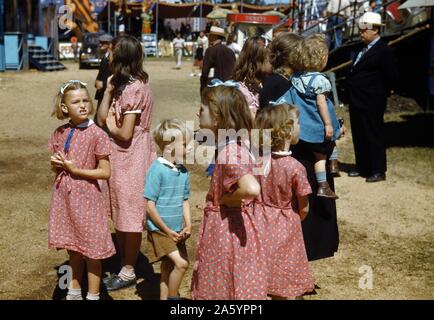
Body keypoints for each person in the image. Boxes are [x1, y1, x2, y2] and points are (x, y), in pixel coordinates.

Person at [259, 34, 339, 263]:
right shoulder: (282, 84)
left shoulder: (290, 82)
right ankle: (307, 251)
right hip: (300, 156)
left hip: (303, 152)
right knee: (306, 208)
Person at [191, 83, 267, 300]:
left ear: (217, 117)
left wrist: (225, 199)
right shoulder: (237, 144)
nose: (198, 111)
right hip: (237, 228)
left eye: (203, 108)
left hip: (226, 232)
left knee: (222, 284)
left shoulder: (229, 152)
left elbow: (251, 188)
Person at [97, 35, 157, 291]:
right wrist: (108, 93)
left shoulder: (135, 89)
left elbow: (124, 133)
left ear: (121, 58)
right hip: (120, 157)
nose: (108, 56)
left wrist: (111, 122)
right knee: (121, 209)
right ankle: (126, 261)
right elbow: (100, 120)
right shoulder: (120, 86)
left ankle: (129, 270)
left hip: (132, 156)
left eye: (113, 52)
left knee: (130, 211)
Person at [48, 80, 115, 300]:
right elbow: (54, 169)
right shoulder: (60, 132)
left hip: (88, 199)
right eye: (76, 102)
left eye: (86, 100)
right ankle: (74, 292)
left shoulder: (98, 134)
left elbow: (105, 172)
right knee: (74, 249)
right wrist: (57, 163)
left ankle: (93, 295)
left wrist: (77, 170)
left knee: (93, 252)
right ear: (65, 107)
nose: (83, 105)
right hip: (65, 198)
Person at [254, 102, 315, 300]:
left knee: (263, 269)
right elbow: (304, 206)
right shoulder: (295, 167)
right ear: (287, 130)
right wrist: (297, 218)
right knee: (285, 271)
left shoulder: (258, 161)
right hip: (286, 224)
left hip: (259, 221)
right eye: (298, 123)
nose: (300, 127)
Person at [280, 34, 341, 199]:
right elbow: (321, 104)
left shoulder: (297, 79)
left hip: (305, 127)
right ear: (322, 59)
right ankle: (324, 184)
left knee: (323, 147)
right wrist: (328, 124)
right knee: (322, 152)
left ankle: (333, 163)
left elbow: (287, 98)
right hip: (318, 125)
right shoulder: (320, 80)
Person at [346, 12, 398, 182]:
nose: (361, 34)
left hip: (372, 99)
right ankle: (362, 166)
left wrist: (385, 91)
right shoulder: (361, 49)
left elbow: (390, 75)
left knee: (373, 134)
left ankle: (378, 169)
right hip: (357, 99)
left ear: (375, 30)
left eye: (364, 30)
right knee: (359, 134)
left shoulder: (383, 50)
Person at [144, 119, 193, 300]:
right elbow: (149, 205)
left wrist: (188, 225)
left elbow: (184, 200)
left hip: (177, 230)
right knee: (181, 264)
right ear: (169, 146)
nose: (189, 149)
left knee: (168, 268)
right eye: (185, 144)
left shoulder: (183, 171)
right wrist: (167, 230)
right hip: (160, 230)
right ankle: (174, 298)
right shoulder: (157, 170)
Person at [259, 32, 303, 110]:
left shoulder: (278, 80)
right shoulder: (280, 84)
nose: (305, 58)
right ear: (292, 57)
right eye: (302, 54)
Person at [232, 36, 272, 118]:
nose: (272, 62)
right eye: (269, 58)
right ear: (259, 61)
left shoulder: (263, 83)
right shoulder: (240, 90)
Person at [200, 26, 236, 93]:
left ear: (214, 37)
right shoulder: (230, 51)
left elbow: (205, 72)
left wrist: (203, 88)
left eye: (210, 36)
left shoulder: (210, 51)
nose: (208, 37)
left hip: (214, 89)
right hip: (229, 88)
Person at [94, 33, 113, 125]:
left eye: (103, 42)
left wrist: (103, 84)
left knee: (103, 122)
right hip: (102, 92)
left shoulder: (113, 58)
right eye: (100, 42)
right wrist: (97, 81)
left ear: (110, 44)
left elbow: (117, 77)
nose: (100, 44)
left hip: (109, 94)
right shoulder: (105, 56)